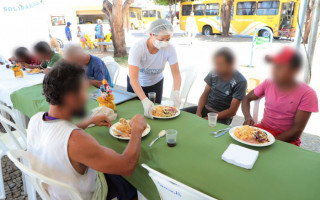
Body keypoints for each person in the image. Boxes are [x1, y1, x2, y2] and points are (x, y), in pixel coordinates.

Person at [27, 61, 146, 199]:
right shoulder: (77, 140)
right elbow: (127, 166)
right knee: (131, 181)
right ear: (71, 97)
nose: (88, 97)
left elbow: (57, 136)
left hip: (54, 191)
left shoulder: (35, 119)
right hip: (87, 195)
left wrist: (88, 122)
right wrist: (137, 129)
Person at [241, 47, 318, 146]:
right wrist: (248, 117)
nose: (274, 71)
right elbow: (246, 98)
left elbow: (297, 131)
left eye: (280, 67)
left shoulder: (307, 94)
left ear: (294, 70)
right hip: (263, 131)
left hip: (287, 139)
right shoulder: (269, 82)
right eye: (274, 66)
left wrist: (269, 143)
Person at [128, 19, 182, 119]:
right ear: (151, 34)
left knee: (156, 113)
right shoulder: (138, 48)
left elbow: (176, 74)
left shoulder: (170, 49)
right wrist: (144, 100)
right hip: (136, 84)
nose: (164, 43)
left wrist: (176, 92)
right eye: (161, 40)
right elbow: (133, 78)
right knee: (135, 115)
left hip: (156, 83)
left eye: (168, 39)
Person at [183, 47, 247, 125]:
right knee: (180, 114)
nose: (216, 67)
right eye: (215, 63)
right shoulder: (214, 72)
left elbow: (232, 111)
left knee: (205, 129)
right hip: (205, 109)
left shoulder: (240, 81)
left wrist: (208, 119)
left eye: (220, 64)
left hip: (222, 117)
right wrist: (198, 112)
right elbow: (205, 93)